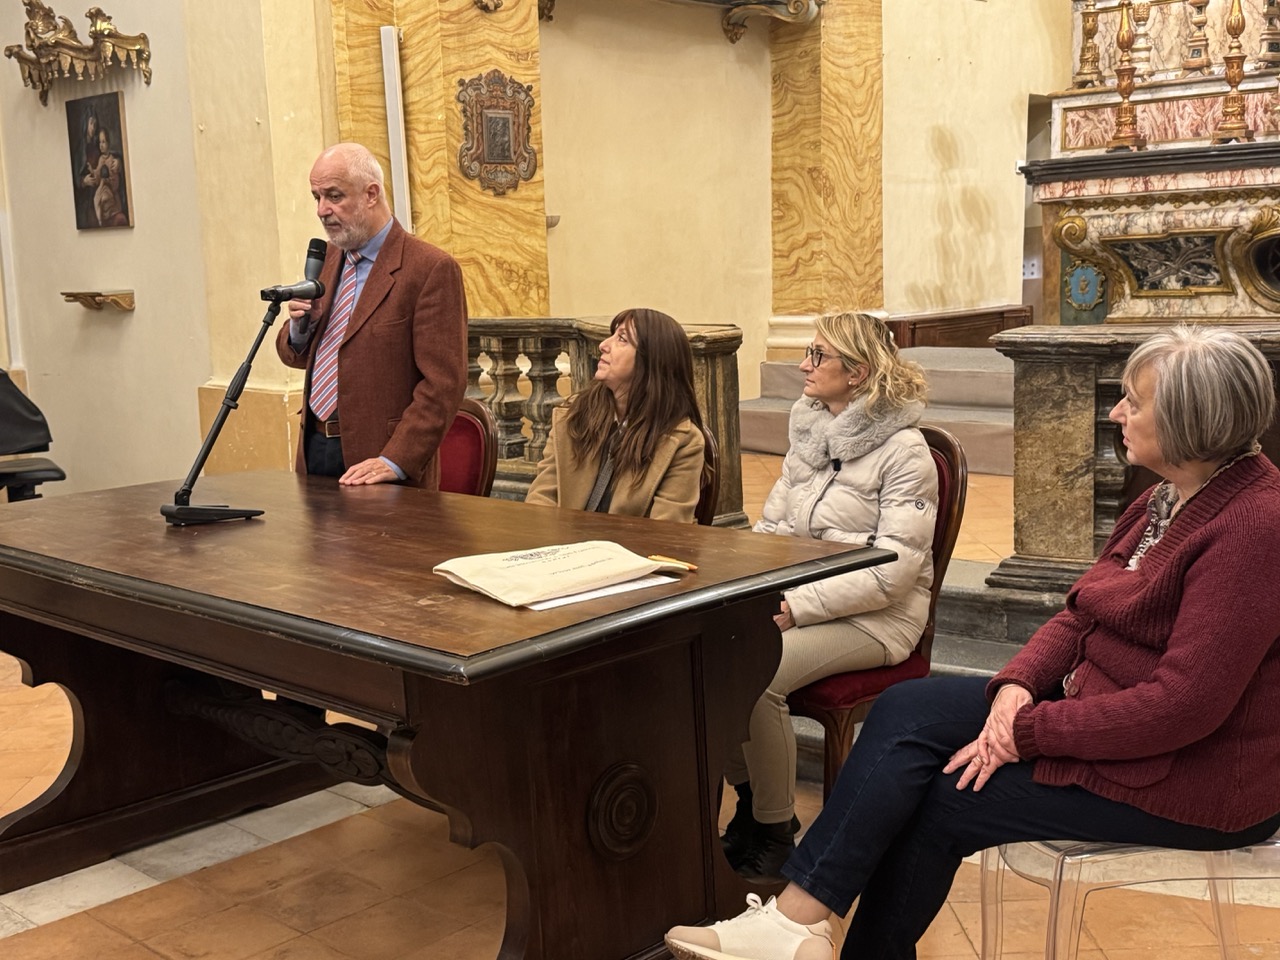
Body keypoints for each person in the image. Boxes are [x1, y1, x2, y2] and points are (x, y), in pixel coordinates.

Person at [666, 324, 1280, 960]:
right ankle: (797, 923)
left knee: (946, 798)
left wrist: (1027, 731)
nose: (1116, 412)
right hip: (1100, 710)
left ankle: (818, 937)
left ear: (1191, 420)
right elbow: (1079, 617)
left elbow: (1183, 707)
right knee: (907, 709)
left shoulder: (1255, 526)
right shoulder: (1165, 496)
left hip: (1195, 778)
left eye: (1135, 401)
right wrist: (1016, 687)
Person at [719, 311, 937, 882]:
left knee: (754, 674)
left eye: (817, 356)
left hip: (880, 618)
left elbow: (894, 571)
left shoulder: (905, 451)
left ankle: (775, 833)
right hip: (800, 601)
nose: (803, 366)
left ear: (858, 371)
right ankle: (752, 805)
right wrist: (740, 586)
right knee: (706, 659)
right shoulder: (812, 435)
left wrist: (798, 607)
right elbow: (771, 530)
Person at [275, 143, 467, 488]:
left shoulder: (430, 268)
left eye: (334, 196)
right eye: (317, 197)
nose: (322, 210)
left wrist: (396, 460)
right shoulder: (327, 259)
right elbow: (300, 356)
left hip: (381, 462)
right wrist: (301, 327)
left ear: (371, 194)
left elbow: (443, 384)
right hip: (314, 449)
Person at [524, 308, 705, 522]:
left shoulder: (683, 442)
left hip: (632, 544)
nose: (603, 345)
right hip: (563, 541)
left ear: (651, 361)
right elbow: (541, 500)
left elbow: (666, 531)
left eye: (622, 339)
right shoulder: (573, 415)